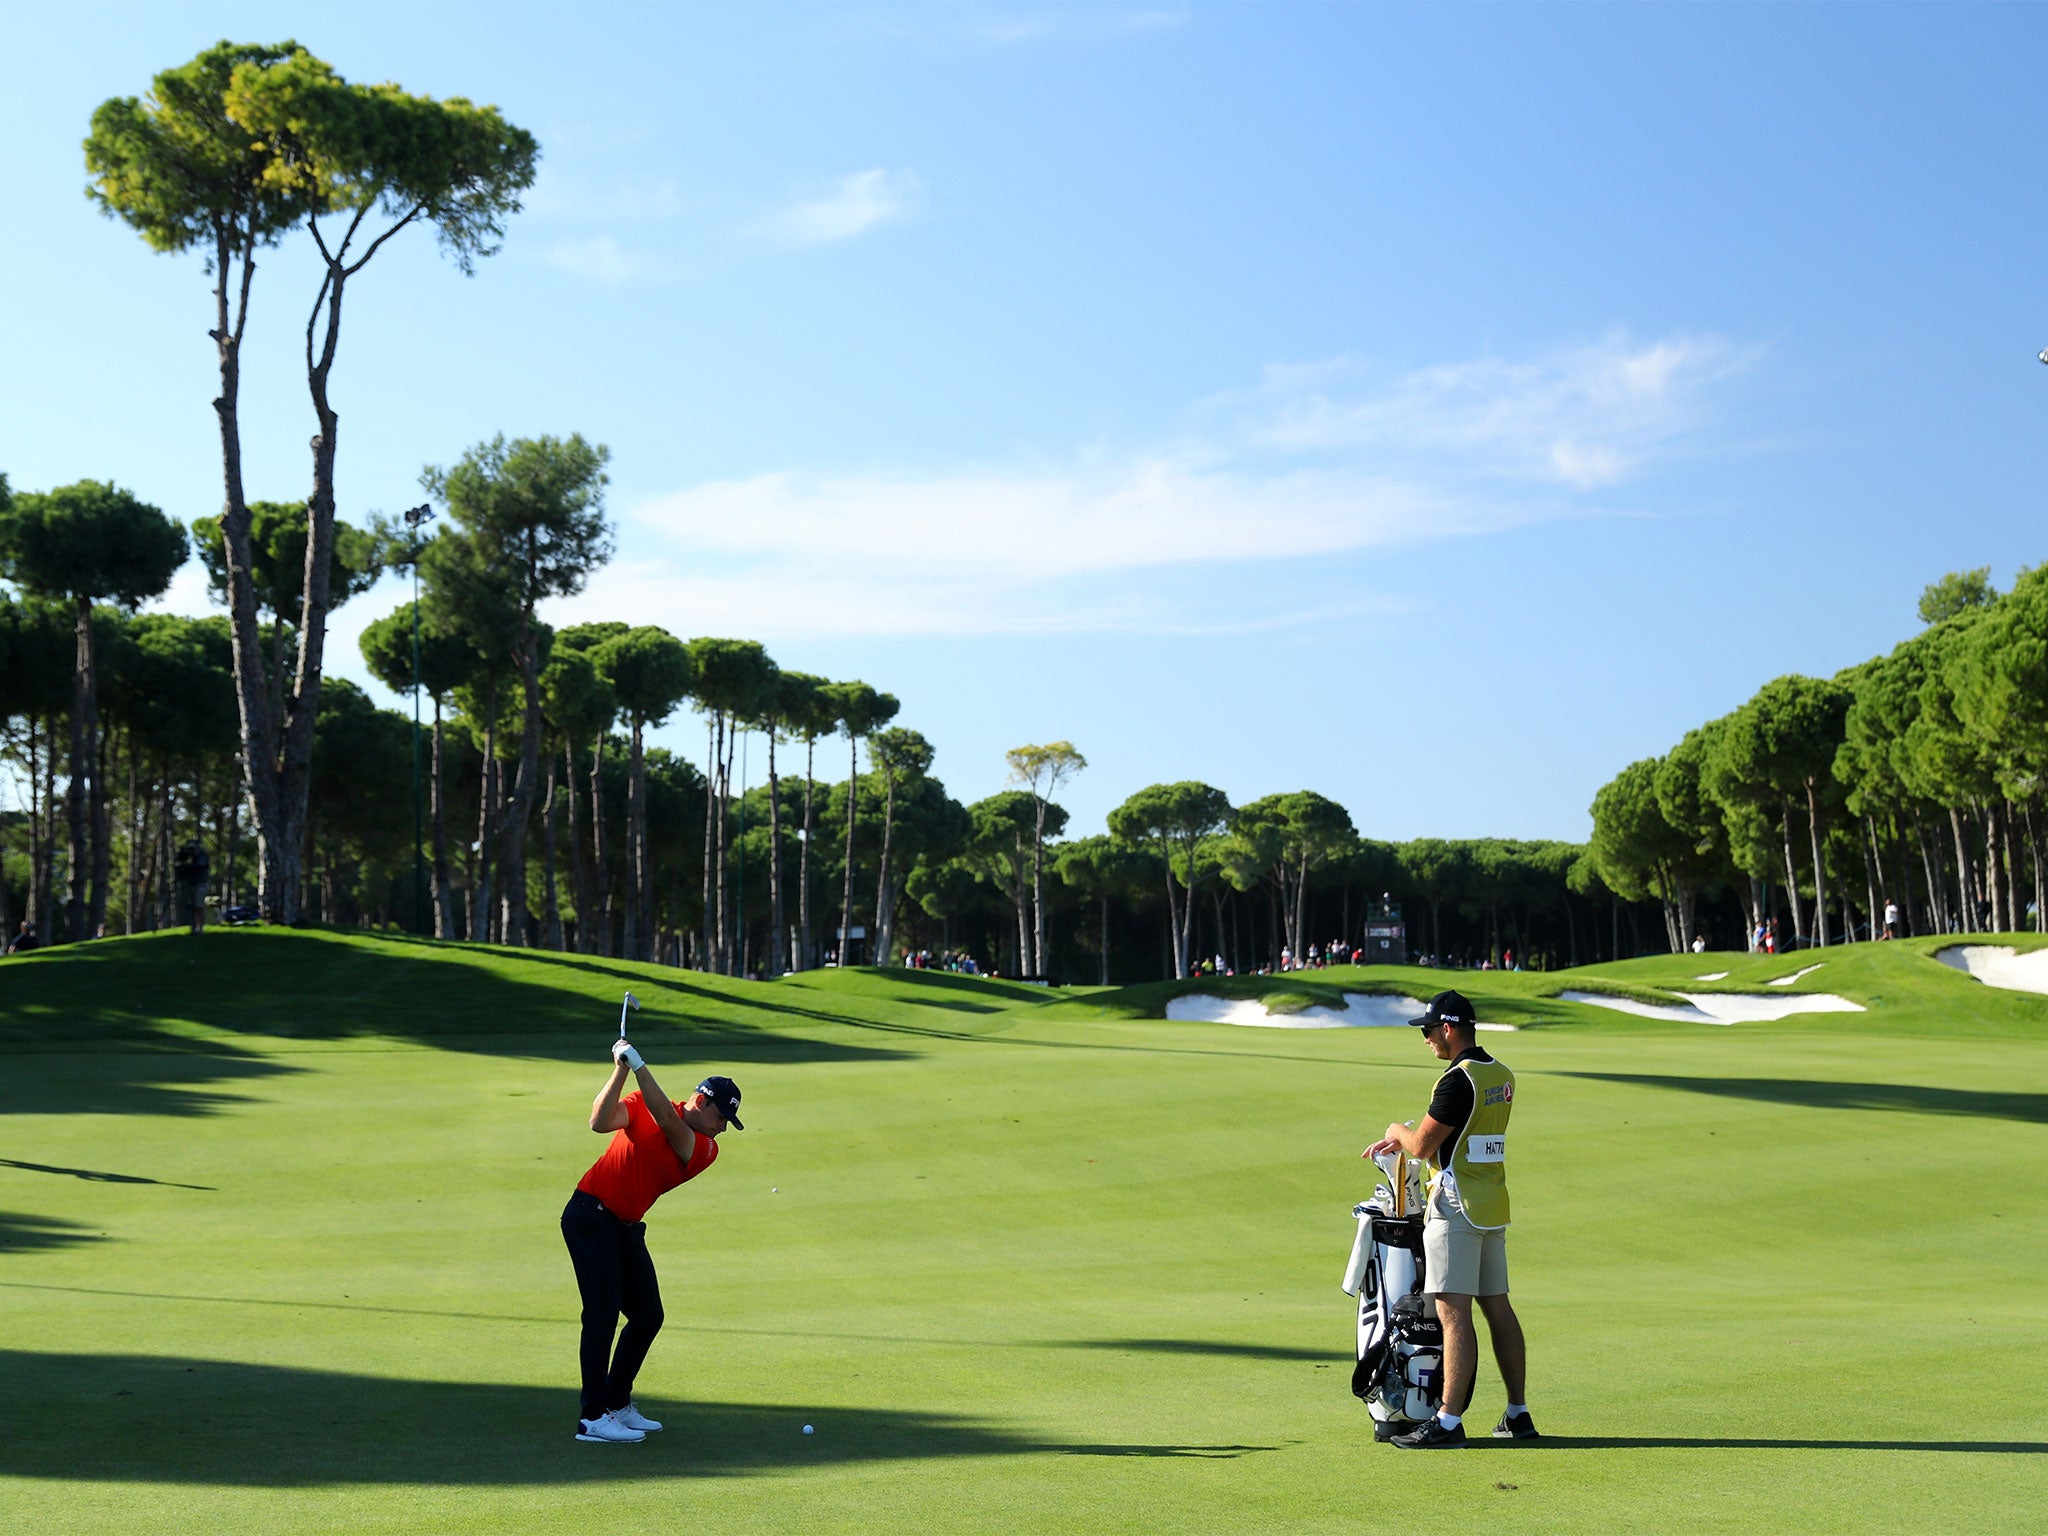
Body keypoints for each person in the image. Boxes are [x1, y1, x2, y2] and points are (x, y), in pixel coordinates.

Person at [1365, 990, 1534, 1449]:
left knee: (1452, 1312)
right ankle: (1518, 1413)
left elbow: (1420, 1145)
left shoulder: (1456, 1081)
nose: (1425, 1039)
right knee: (1497, 1306)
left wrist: (1393, 1132)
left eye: (1428, 1030)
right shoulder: (1502, 1074)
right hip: (1492, 1204)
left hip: (1456, 1208)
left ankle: (1447, 1421)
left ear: (1448, 1028)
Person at [561, 1036, 743, 1444]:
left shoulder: (703, 1148)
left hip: (624, 1227)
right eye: (722, 1118)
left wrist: (639, 1064)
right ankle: (592, 1417)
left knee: (647, 1316)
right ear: (702, 1101)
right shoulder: (644, 1103)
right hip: (589, 1216)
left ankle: (616, 1402)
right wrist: (621, 1069)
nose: (722, 1129)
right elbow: (599, 1121)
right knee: (602, 1315)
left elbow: (666, 1118)